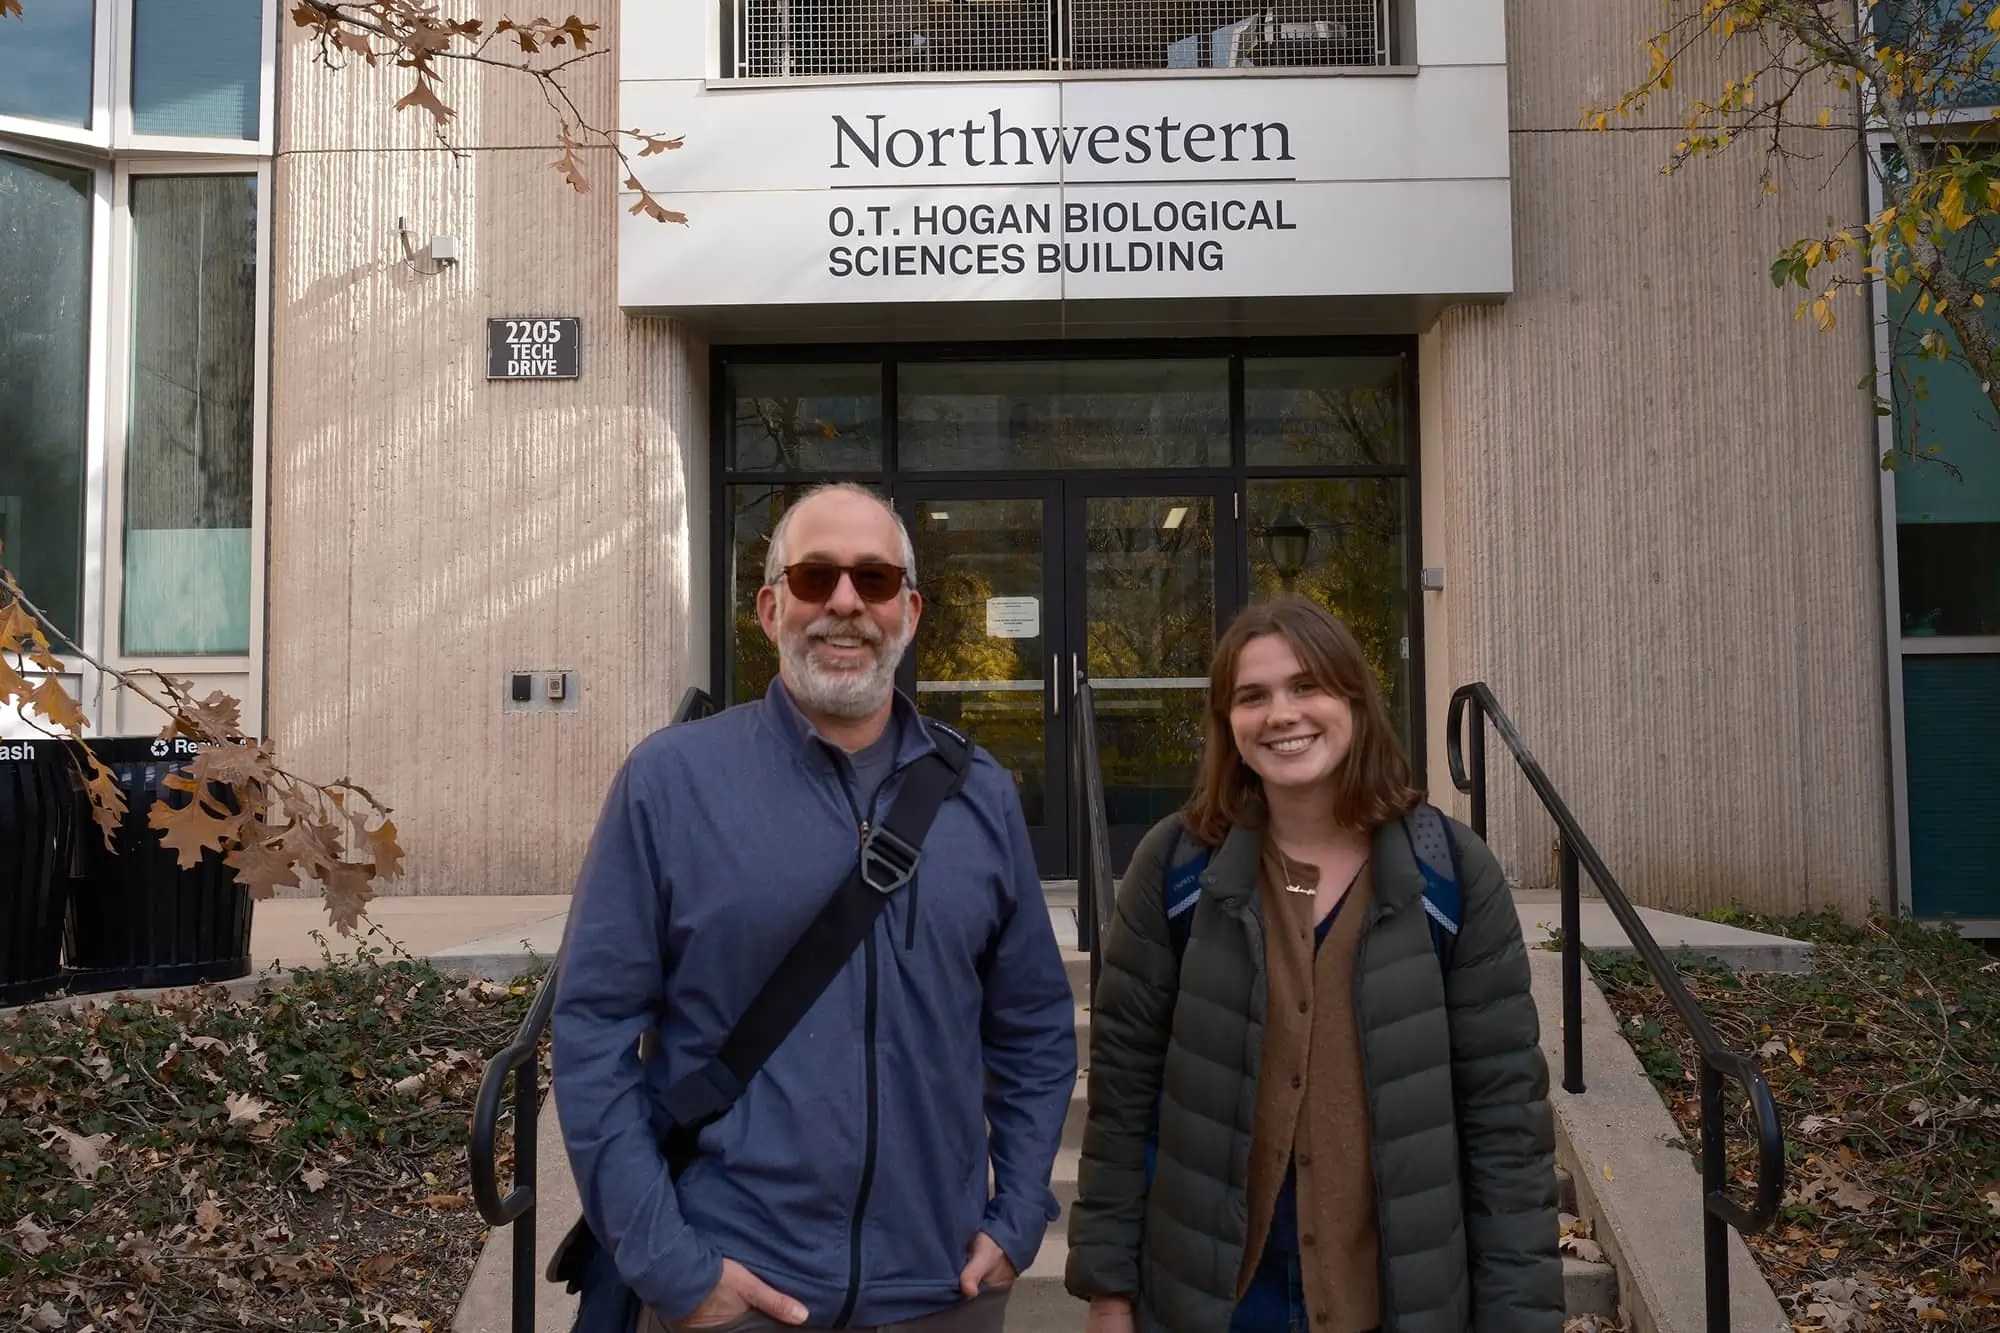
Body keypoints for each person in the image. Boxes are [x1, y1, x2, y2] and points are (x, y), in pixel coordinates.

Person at [554, 482, 1078, 1333]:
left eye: (874, 579)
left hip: (943, 1292)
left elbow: (1036, 1030)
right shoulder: (671, 782)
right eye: (813, 577)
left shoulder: (979, 794)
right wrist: (674, 1270)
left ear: (908, 611)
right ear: (769, 608)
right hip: (734, 1292)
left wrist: (1017, 1218)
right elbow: (590, 1038)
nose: (844, 602)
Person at [1065, 597, 1563, 1333]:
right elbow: (1122, 1097)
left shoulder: (1451, 875)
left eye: (1307, 686)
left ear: (1354, 699)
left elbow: (1504, 1126)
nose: (1281, 714)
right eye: (1252, 695)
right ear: (1228, 723)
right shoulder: (1173, 871)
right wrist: (1109, 1293)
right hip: (1215, 1305)